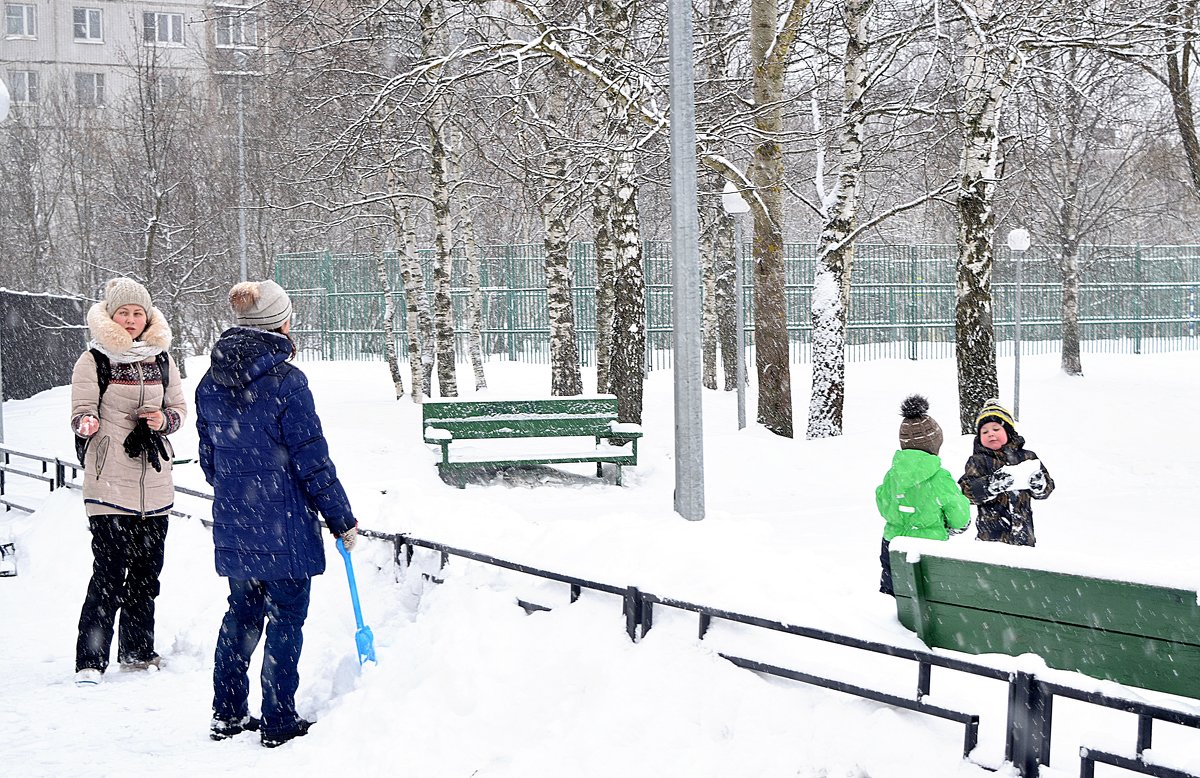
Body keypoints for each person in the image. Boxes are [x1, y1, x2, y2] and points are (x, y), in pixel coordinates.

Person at [195, 280, 358, 748]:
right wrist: (341, 518)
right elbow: (312, 460)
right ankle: (278, 720)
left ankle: (227, 714)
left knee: (241, 615)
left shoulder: (210, 382)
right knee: (285, 619)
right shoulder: (288, 382)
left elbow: (211, 460)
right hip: (284, 527)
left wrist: (241, 494)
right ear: (278, 323)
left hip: (236, 522)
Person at [71, 278, 187, 685]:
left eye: (139, 312)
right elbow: (81, 409)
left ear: (148, 316)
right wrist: (86, 423)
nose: (132, 319)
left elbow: (177, 409)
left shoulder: (163, 359)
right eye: (125, 312)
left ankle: (137, 650)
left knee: (146, 573)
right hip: (108, 482)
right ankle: (91, 659)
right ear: (111, 315)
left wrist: (163, 421)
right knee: (108, 572)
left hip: (154, 481)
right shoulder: (94, 360)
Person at [875, 395, 971, 595]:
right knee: (931, 595)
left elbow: (883, 502)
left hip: (893, 545)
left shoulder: (893, 474)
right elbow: (959, 515)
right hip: (929, 548)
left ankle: (889, 620)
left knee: (893, 592)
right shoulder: (939, 477)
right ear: (935, 443)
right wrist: (953, 524)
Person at [958, 398, 1055, 546]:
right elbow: (967, 492)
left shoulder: (1027, 457)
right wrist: (989, 486)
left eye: (996, 429)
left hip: (1023, 535)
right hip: (990, 537)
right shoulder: (978, 461)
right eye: (984, 431)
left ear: (1008, 431)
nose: (990, 434)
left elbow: (1046, 488)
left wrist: (1040, 485)